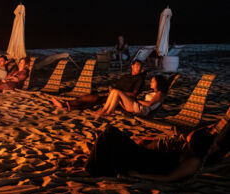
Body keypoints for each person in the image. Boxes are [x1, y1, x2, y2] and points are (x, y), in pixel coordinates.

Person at [85, 117, 230, 181]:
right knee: (110, 137)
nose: (216, 146)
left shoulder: (194, 161)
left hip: (147, 163)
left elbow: (168, 178)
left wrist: (139, 176)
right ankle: (95, 169)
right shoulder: (191, 153)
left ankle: (93, 171)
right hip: (149, 157)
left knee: (110, 134)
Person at [51, 59, 146, 111]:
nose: (138, 67)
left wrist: (118, 92)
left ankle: (65, 105)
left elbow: (134, 95)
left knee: (94, 99)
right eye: (136, 65)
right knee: (92, 99)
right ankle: (68, 106)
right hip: (114, 94)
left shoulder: (139, 79)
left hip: (121, 100)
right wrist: (112, 89)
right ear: (132, 66)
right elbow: (117, 86)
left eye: (140, 66)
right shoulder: (126, 76)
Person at [95, 75, 167, 117]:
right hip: (139, 107)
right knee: (114, 91)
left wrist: (136, 101)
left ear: (159, 83)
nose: (151, 83)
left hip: (141, 109)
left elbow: (150, 103)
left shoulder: (160, 93)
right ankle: (104, 110)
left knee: (116, 92)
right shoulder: (156, 93)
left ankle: (107, 112)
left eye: (153, 81)